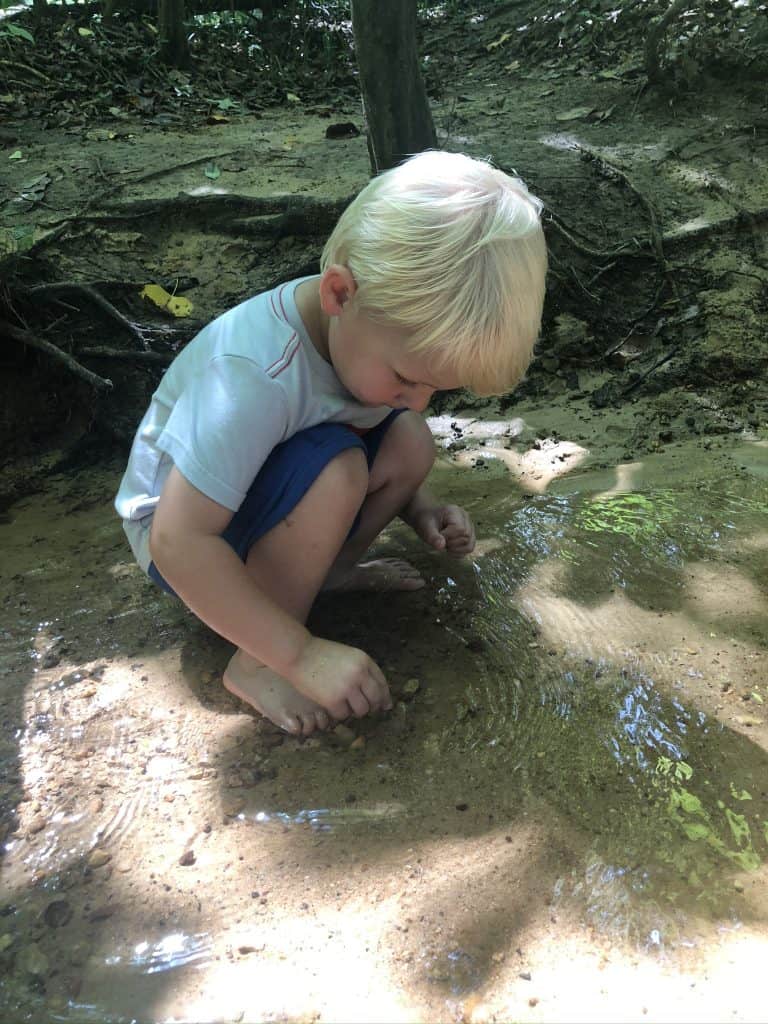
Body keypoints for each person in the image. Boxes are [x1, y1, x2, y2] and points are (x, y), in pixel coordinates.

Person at [114, 150, 547, 736]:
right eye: (406, 377)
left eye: (433, 386)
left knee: (411, 440)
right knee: (340, 468)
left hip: (249, 496)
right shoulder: (254, 373)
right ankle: (258, 662)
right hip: (184, 538)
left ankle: (327, 573)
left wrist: (418, 507)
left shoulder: (365, 334)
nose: (418, 397)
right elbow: (178, 539)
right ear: (339, 294)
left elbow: (372, 425)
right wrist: (301, 655)